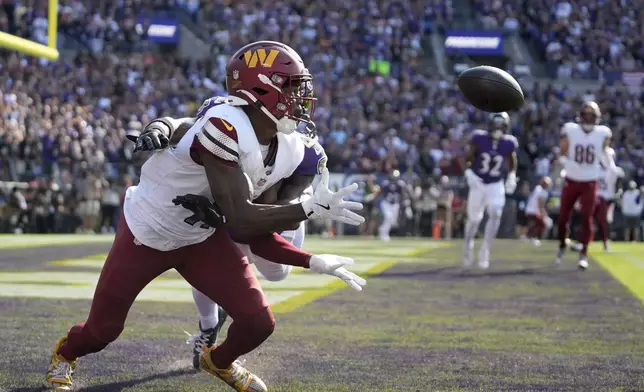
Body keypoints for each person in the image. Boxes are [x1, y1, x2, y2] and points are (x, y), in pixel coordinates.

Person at [46, 41, 366, 392]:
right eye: (290, 85)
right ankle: (65, 354)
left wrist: (313, 260)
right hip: (149, 231)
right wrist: (307, 209)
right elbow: (242, 219)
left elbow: (256, 231)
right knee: (102, 331)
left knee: (259, 322)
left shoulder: (291, 148)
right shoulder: (225, 124)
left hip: (201, 235)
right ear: (260, 87)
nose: (301, 96)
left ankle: (217, 360)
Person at [132, 104, 329, 369]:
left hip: (271, 221)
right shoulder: (229, 125)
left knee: (276, 273)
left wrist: (233, 215)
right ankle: (209, 325)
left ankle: (234, 277)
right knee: (205, 265)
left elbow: (287, 212)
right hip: (232, 214)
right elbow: (185, 125)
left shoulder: (301, 152)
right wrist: (160, 127)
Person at [555, 101, 618, 269]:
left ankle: (583, 254)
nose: (589, 117)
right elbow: (560, 153)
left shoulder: (603, 133)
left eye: (592, 114)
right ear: (581, 115)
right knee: (562, 218)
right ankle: (562, 243)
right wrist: (565, 162)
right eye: (587, 113)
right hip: (571, 178)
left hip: (590, 180)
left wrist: (610, 166)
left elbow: (604, 153)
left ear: (597, 117)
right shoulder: (571, 129)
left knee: (587, 217)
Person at [463, 112, 518, 269]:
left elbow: (512, 159)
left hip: (495, 183)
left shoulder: (508, 142)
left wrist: (512, 176)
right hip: (478, 182)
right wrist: (468, 172)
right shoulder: (479, 138)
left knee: (495, 212)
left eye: (502, 125)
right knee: (474, 219)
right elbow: (468, 157)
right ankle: (468, 243)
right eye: (496, 125)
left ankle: (485, 249)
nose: (498, 128)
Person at [378, 169, 405, 241]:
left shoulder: (401, 184)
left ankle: (383, 230)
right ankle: (384, 234)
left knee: (393, 222)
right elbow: (380, 192)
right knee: (388, 218)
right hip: (386, 203)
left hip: (395, 204)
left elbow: (403, 193)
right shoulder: (385, 183)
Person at [524, 177, 552, 246]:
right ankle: (532, 237)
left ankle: (529, 236)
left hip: (529, 210)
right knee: (542, 223)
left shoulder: (538, 188)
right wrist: (545, 216)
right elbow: (540, 206)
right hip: (533, 211)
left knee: (537, 223)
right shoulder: (542, 191)